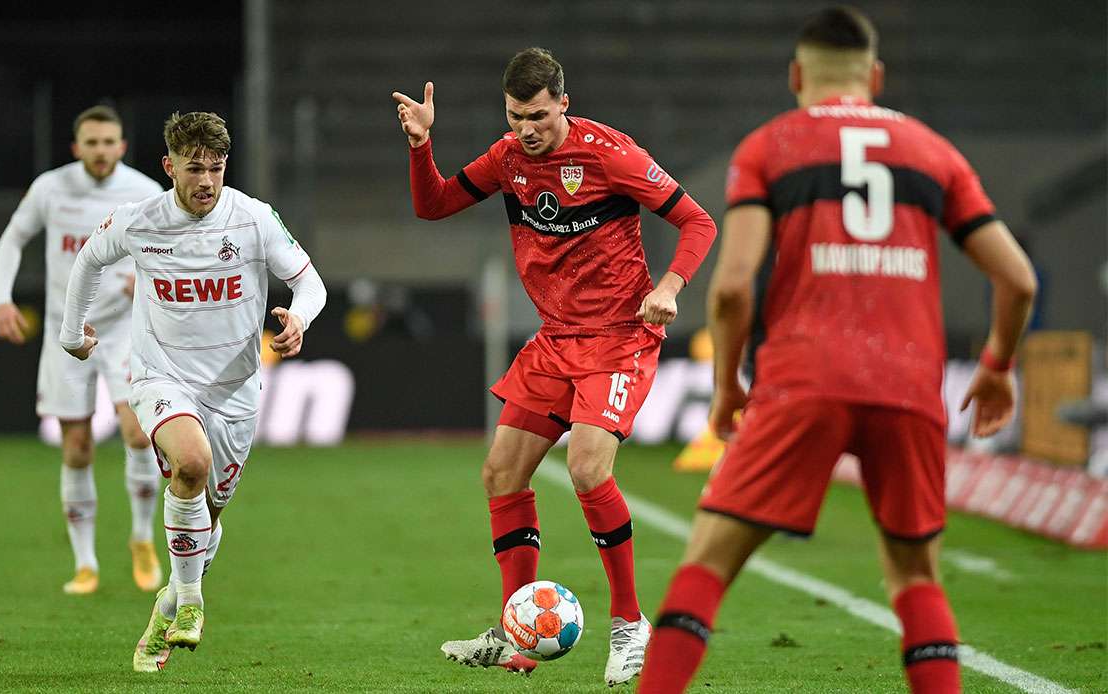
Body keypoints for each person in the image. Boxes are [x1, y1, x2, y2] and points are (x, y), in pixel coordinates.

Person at [637, 7, 1037, 693]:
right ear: (875, 77)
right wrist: (997, 367)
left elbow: (732, 289)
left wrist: (730, 384)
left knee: (707, 560)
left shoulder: (770, 146)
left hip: (803, 379)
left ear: (796, 75)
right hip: (910, 385)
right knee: (916, 576)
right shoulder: (934, 152)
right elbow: (1017, 278)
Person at [392, 48, 718, 686]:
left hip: (619, 337)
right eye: (516, 117)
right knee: (500, 473)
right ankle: (519, 634)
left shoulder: (609, 154)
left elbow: (696, 220)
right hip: (555, 340)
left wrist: (672, 286)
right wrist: (421, 145)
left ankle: (630, 623)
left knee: (588, 466)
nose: (526, 130)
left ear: (563, 104)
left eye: (538, 116)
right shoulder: (506, 157)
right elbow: (432, 205)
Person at [58, 111, 327, 672]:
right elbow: (88, 258)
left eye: (217, 168)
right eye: (195, 168)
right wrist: (71, 329)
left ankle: (167, 606)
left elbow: (310, 282)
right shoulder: (140, 220)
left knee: (208, 513)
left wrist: (300, 318)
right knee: (191, 463)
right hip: (161, 377)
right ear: (169, 166)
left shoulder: (252, 218)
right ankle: (190, 603)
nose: (207, 181)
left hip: (235, 391)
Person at [0, 105, 165, 595]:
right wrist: (1, 298)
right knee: (77, 446)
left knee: (137, 434)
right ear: (76, 147)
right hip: (63, 333)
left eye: (109, 142)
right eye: (92, 143)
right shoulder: (50, 187)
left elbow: (168, 253)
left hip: (124, 330)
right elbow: (13, 238)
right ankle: (85, 563)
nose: (101, 151)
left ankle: (141, 538)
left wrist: (145, 279)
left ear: (122, 146)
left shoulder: (145, 192)